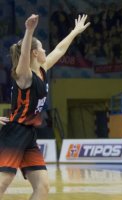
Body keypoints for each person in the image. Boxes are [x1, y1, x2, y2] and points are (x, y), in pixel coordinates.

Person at [0, 14, 90, 200]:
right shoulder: (23, 75)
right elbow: (24, 55)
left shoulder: (43, 69)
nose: (45, 50)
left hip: (30, 135)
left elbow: (59, 49)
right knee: (3, 183)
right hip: (15, 133)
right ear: (34, 53)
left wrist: (74, 32)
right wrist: (29, 30)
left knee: (43, 186)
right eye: (41, 48)